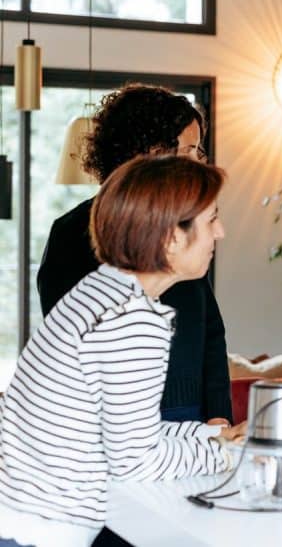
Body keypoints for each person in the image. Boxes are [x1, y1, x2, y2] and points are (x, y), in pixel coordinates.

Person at [0, 156, 245, 547]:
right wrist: (229, 455)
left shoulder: (104, 291)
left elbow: (127, 434)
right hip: (39, 531)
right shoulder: (131, 320)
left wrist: (212, 436)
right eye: (211, 219)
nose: (221, 233)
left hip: (19, 516)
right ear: (171, 237)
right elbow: (135, 463)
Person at [37, 83, 232, 425]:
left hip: (190, 414)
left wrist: (218, 416)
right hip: (112, 419)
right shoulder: (71, 232)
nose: (198, 163)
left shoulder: (183, 229)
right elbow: (67, 344)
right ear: (152, 153)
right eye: (189, 151)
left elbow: (210, 331)